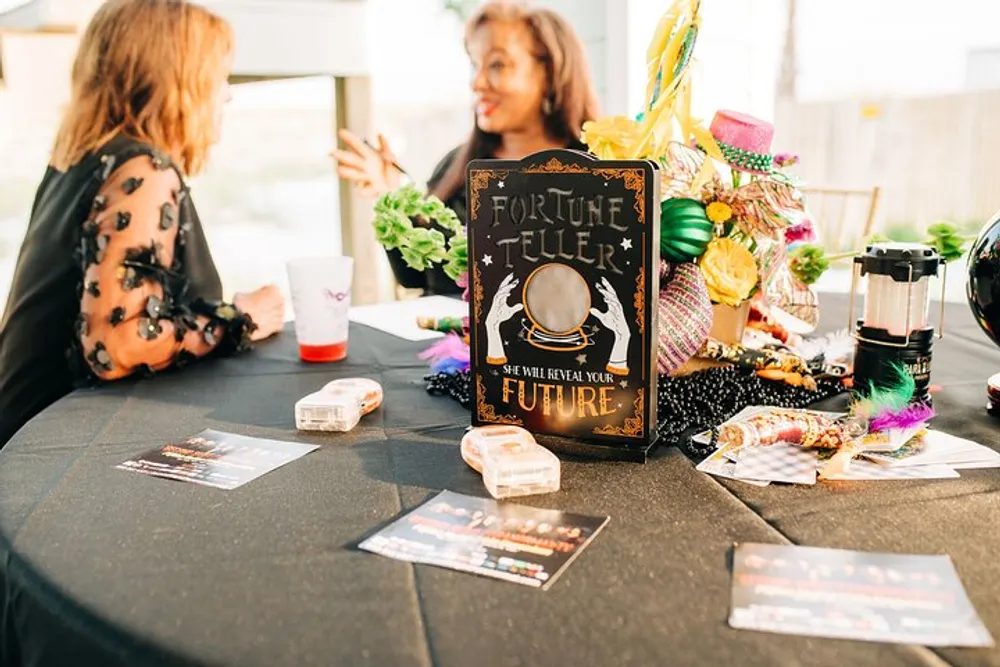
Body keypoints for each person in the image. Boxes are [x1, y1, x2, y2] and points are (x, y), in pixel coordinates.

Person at [0, 0, 285, 447]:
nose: (225, 93)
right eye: (216, 76)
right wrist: (237, 319)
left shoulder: (78, 160)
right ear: (175, 79)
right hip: (56, 454)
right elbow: (116, 346)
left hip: (24, 438)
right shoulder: (142, 171)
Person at [332, 0, 600, 295]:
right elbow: (415, 278)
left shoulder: (600, 173)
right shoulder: (457, 165)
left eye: (497, 64)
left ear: (550, 72)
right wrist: (394, 197)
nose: (477, 83)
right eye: (475, 65)